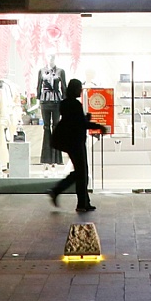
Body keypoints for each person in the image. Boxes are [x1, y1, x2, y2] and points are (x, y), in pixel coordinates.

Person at [48, 79, 106, 213]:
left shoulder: (65, 103)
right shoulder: (75, 104)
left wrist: (85, 120)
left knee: (81, 172)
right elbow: (79, 123)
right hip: (75, 141)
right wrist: (97, 125)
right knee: (82, 172)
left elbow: (73, 121)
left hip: (70, 140)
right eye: (79, 88)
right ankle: (70, 197)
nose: (80, 91)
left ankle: (82, 202)